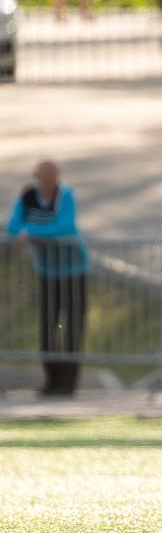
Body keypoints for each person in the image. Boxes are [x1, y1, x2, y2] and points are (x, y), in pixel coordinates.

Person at [6, 159, 89, 396]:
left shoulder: (66, 195)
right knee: (48, 326)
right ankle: (52, 381)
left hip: (73, 271)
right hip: (47, 272)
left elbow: (65, 226)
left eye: (54, 175)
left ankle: (68, 383)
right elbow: (13, 226)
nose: (51, 180)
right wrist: (26, 231)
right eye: (46, 176)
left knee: (73, 326)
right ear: (38, 177)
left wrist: (30, 231)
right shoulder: (28, 197)